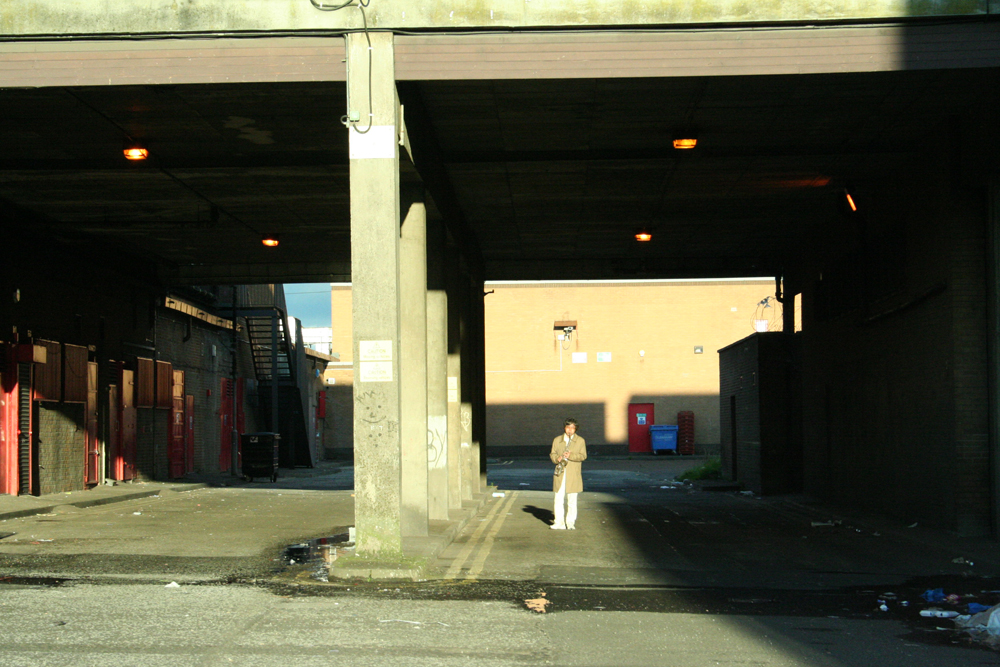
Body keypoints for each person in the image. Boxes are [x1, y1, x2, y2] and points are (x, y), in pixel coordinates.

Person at [550, 418, 587, 530]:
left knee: (572, 500)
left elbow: (583, 456)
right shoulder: (557, 440)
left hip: (573, 474)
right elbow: (552, 454)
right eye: (567, 427)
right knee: (558, 499)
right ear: (564, 428)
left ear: (575, 429)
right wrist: (558, 458)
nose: (569, 430)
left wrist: (571, 455)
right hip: (560, 473)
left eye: (572, 428)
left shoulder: (580, 441)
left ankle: (570, 522)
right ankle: (559, 522)